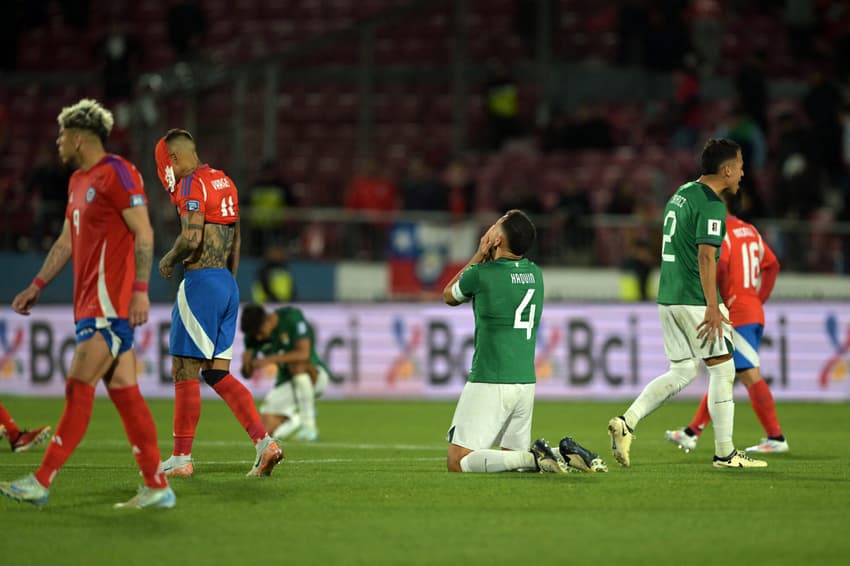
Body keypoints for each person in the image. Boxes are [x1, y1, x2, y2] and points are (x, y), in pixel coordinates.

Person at [1, 99, 175, 508]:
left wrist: (139, 290)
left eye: (61, 136)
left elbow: (144, 234)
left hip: (110, 306)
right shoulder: (78, 181)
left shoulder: (118, 172)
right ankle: (157, 487)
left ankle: (41, 481)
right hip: (90, 305)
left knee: (78, 387)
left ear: (78, 137)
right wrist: (37, 283)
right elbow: (66, 240)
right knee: (125, 395)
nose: (57, 143)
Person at [607, 138, 767, 469]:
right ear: (726, 170)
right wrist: (712, 305)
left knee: (681, 371)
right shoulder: (711, 204)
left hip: (667, 296)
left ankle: (627, 421)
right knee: (723, 370)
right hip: (695, 299)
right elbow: (706, 256)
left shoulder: (681, 193)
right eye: (739, 166)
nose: (742, 173)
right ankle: (725, 453)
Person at [154, 130, 283, 478]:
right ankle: (264, 444)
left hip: (201, 282)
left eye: (166, 165)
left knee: (184, 369)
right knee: (216, 372)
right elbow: (236, 238)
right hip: (228, 284)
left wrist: (168, 259)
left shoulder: (190, 184)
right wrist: (228, 283)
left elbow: (192, 235)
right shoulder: (225, 181)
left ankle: (181, 458)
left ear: (175, 159)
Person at [444, 210, 606, 474]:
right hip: (525, 383)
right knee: (511, 461)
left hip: (490, 378)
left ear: (496, 240)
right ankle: (560, 453)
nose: (491, 227)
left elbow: (449, 295)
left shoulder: (482, 274)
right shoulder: (535, 274)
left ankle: (535, 458)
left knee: (458, 461)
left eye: (496, 226)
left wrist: (477, 255)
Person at [665, 191, 788, 454]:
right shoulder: (750, 231)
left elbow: (719, 268)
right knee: (724, 371)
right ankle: (691, 432)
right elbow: (773, 264)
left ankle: (776, 437)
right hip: (750, 308)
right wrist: (758, 298)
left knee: (747, 373)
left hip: (737, 311)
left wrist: (713, 302)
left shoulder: (721, 231)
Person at [239, 304, 330, 442]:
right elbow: (246, 374)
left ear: (267, 320)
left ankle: (309, 427)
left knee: (296, 364)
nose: (257, 338)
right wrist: (247, 365)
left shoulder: (291, 318)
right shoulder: (253, 337)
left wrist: (268, 360)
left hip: (315, 376)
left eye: (259, 332)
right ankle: (298, 417)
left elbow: (304, 354)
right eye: (254, 335)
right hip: (286, 383)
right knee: (266, 429)